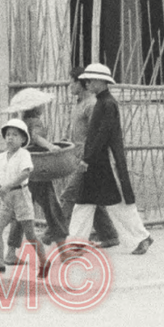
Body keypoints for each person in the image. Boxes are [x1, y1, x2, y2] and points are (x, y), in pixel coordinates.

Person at [69, 63, 155, 255]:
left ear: (101, 81)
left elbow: (102, 135)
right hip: (97, 162)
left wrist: (87, 159)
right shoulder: (102, 102)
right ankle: (76, 244)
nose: (88, 83)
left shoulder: (107, 104)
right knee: (85, 203)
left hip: (102, 163)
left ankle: (141, 236)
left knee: (113, 204)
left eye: (91, 80)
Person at [59, 72, 120, 248]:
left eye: (72, 82)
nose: (69, 86)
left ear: (81, 83)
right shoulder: (78, 105)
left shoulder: (92, 105)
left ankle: (53, 232)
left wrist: (89, 158)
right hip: (79, 156)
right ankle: (109, 236)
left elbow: (96, 134)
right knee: (91, 198)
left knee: (70, 193)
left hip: (89, 158)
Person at [4, 89, 69, 251]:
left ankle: (11, 253)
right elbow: (36, 138)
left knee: (21, 212)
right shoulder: (35, 122)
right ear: (36, 107)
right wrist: (50, 146)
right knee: (52, 209)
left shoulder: (21, 121)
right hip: (39, 171)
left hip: (25, 170)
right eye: (41, 105)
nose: (43, 107)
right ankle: (63, 250)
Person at [0, 119, 48, 277]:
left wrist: (7, 186)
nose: (10, 138)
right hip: (6, 199)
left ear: (23, 139)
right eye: (8, 134)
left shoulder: (24, 154)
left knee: (30, 235)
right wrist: (0, 189)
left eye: (15, 135)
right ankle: (0, 264)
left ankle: (44, 262)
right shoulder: (1, 157)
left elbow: (25, 173)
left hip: (20, 196)